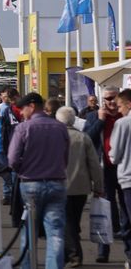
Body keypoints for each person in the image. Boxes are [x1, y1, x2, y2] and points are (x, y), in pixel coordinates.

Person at [8, 92, 70, 269]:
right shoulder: (60, 127)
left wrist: (22, 170)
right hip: (57, 182)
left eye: (22, 108)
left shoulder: (23, 128)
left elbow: (12, 159)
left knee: (28, 232)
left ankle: (28, 266)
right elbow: (66, 158)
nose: (20, 112)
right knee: (56, 233)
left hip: (31, 184)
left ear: (32, 106)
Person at [84, 86, 128, 262]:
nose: (110, 102)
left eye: (113, 98)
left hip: (123, 167)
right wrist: (100, 121)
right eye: (107, 99)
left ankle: (128, 250)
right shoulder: (94, 116)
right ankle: (103, 250)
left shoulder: (126, 116)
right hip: (104, 168)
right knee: (105, 209)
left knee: (126, 210)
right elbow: (86, 139)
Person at [55, 106, 103, 267]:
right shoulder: (83, 137)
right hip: (82, 188)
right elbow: (94, 164)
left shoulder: (54, 137)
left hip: (61, 185)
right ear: (74, 119)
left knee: (67, 222)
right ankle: (69, 254)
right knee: (73, 221)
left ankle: (74, 255)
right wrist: (99, 186)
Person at [109, 89, 131, 267]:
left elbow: (115, 155)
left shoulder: (123, 123)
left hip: (128, 178)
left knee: (128, 220)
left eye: (120, 106)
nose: (119, 110)